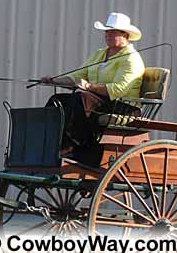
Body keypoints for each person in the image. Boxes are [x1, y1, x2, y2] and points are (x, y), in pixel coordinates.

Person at [41, 12, 145, 156]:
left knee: (81, 98)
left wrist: (89, 86)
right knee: (57, 101)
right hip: (99, 101)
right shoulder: (100, 54)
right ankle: (49, 141)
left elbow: (118, 90)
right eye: (107, 32)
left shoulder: (131, 59)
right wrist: (53, 80)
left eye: (113, 32)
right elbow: (77, 77)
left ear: (125, 35)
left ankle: (76, 144)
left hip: (123, 106)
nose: (108, 35)